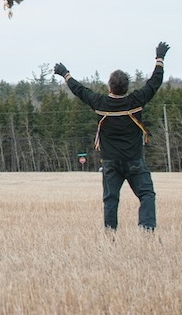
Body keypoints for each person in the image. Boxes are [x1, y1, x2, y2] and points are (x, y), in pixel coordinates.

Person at [53, 41, 170, 231]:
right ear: (127, 87)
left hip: (110, 163)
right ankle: (147, 229)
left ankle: (110, 235)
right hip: (134, 161)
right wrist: (160, 58)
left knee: (111, 200)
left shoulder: (100, 103)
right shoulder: (136, 101)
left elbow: (80, 90)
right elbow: (155, 82)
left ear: (110, 86)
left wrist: (65, 74)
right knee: (147, 195)